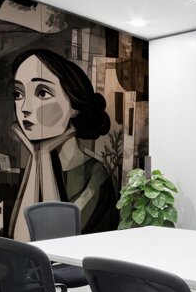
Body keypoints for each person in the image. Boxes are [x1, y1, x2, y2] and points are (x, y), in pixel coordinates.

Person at [8, 49, 117, 240]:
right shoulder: (30, 165)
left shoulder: (96, 176)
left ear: (73, 105)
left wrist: (42, 154)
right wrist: (39, 155)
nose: (24, 108)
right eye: (18, 94)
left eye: (42, 93)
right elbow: (23, 245)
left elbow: (56, 241)